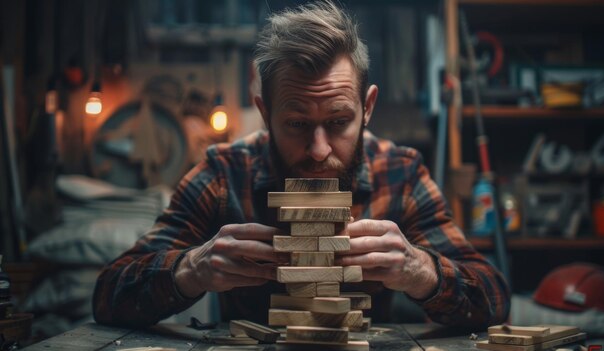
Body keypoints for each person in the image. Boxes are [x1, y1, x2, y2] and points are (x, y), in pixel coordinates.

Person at [93, 0, 510, 329]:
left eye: (338, 121)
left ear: (368, 107)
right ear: (264, 111)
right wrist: (193, 269)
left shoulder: (399, 172)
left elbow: (494, 297)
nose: (318, 149)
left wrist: (422, 271)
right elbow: (109, 294)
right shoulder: (224, 172)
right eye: (296, 123)